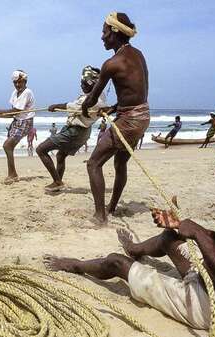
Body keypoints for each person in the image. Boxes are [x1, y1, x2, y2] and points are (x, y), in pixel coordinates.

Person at [45, 119, 215, 330]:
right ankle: (135, 250)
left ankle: (76, 266)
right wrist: (182, 226)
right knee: (169, 238)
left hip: (212, 309)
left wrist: (195, 231)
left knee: (115, 262)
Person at [81, 12, 150, 224]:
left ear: (115, 31)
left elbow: (92, 97)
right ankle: (111, 208)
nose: (102, 37)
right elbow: (135, 91)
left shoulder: (112, 63)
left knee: (93, 163)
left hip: (129, 120)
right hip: (142, 116)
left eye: (104, 31)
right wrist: (115, 107)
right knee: (120, 164)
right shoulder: (138, 54)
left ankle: (100, 216)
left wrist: (84, 107)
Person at [36, 66, 108, 192]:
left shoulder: (93, 99)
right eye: (81, 83)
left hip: (76, 131)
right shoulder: (97, 95)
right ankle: (57, 183)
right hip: (79, 130)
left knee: (41, 149)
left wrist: (55, 106)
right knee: (60, 155)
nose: (82, 86)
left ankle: (57, 181)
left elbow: (73, 107)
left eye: (84, 83)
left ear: (92, 84)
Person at [0, 70, 35, 184]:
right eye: (15, 83)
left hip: (25, 122)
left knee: (7, 145)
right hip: (17, 121)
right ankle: (12, 173)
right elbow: (13, 113)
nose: (17, 85)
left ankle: (13, 174)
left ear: (25, 81)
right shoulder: (15, 92)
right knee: (8, 147)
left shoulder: (27, 92)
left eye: (20, 82)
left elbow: (14, 111)